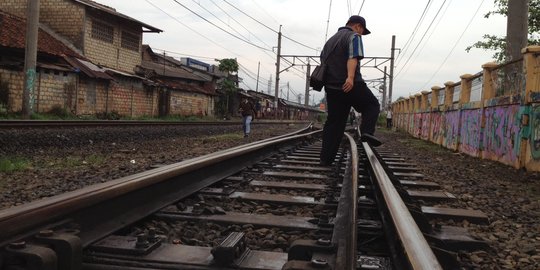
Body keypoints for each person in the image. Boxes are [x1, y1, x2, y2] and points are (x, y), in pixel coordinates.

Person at [319, 15, 381, 166]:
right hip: (350, 85)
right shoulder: (354, 36)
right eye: (362, 31)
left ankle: (325, 160)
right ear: (358, 26)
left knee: (334, 123)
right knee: (372, 106)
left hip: (332, 88)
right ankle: (367, 132)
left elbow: (323, 62)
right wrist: (350, 78)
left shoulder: (330, 42)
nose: (361, 34)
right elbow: (353, 57)